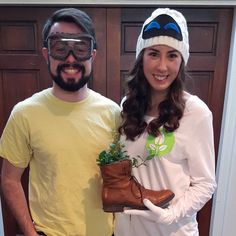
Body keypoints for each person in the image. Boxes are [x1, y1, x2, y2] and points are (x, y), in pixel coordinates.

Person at [0, 8, 120, 236]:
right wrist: (29, 231)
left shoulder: (113, 113)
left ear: (93, 55)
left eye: (81, 48)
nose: (71, 58)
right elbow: (9, 180)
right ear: (46, 54)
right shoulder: (25, 113)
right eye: (60, 48)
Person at [114, 8, 217, 236]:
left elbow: (206, 183)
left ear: (181, 61)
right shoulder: (127, 106)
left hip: (172, 231)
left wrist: (172, 214)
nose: (162, 66)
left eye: (172, 55)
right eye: (153, 54)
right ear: (142, 58)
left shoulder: (195, 113)